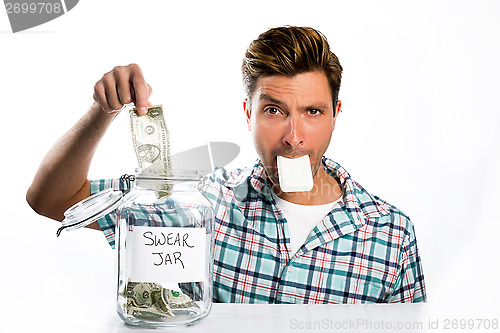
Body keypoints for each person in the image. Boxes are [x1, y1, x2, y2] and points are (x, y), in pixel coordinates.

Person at [26, 26, 426, 303]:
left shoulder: (391, 234)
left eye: (313, 112)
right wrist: (102, 111)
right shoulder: (200, 204)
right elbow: (51, 200)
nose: (293, 136)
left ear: (336, 114)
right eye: (273, 110)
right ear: (247, 113)